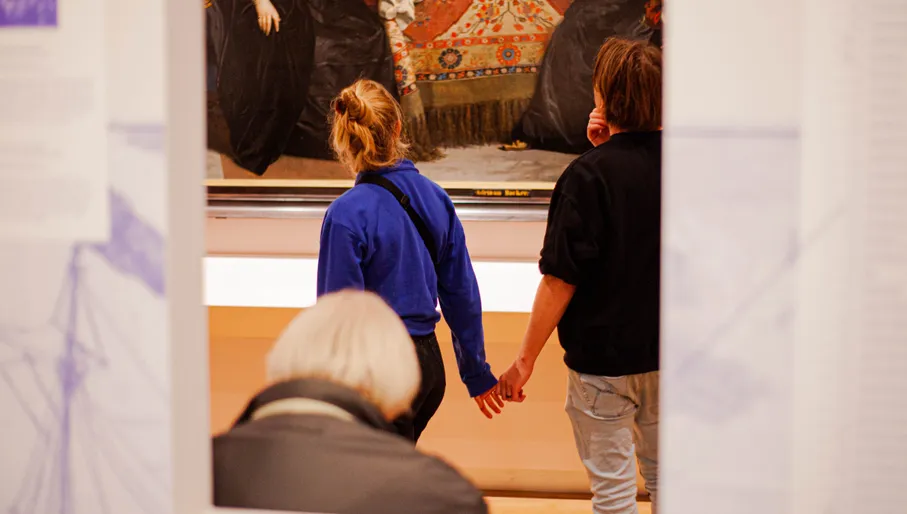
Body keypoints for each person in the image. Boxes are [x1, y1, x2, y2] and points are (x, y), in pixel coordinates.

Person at [497, 37, 662, 514]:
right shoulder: (689, 168)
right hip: (672, 355)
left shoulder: (587, 176)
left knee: (613, 494)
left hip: (603, 364)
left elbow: (560, 278)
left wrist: (525, 360)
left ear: (605, 99)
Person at [317, 79, 503, 442]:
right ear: (398, 127)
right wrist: (476, 372)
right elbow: (461, 293)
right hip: (428, 367)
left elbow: (339, 316)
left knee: (370, 486)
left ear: (343, 138)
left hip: (381, 369)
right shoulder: (435, 198)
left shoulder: (345, 215)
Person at [213, 291, 489, 514]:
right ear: (402, 386)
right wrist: (476, 372)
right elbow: (460, 288)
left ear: (282, 359)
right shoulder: (441, 494)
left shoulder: (193, 469)